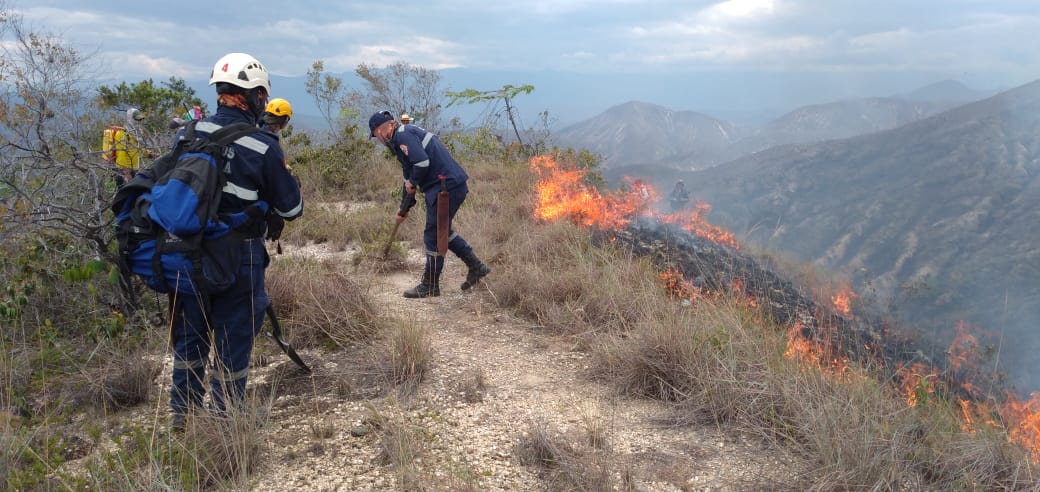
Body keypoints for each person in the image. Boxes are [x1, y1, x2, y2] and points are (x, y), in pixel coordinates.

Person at [169, 53, 303, 430]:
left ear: (221, 92)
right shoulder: (262, 145)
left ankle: (182, 417)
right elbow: (291, 210)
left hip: (185, 254)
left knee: (189, 338)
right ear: (258, 96)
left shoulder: (187, 134)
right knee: (233, 338)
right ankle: (226, 422)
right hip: (238, 255)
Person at [369, 110, 491, 298]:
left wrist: (412, 182)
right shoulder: (399, 142)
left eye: (376, 135)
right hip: (448, 186)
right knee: (442, 231)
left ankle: (430, 284)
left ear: (381, 130)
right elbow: (408, 178)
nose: (378, 140)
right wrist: (404, 208)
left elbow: (422, 163)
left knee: (433, 235)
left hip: (445, 187)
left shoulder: (402, 134)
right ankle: (476, 266)